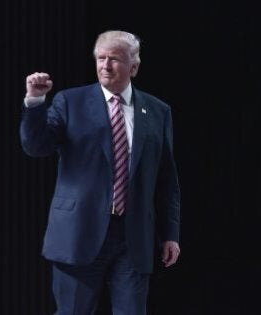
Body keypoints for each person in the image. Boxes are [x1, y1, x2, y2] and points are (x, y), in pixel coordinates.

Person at [20, 30, 181, 315]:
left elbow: (166, 178)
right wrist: (34, 102)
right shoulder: (71, 102)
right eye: (101, 58)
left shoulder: (158, 111)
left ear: (134, 67)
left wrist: (170, 233)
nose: (105, 66)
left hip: (133, 237)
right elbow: (36, 146)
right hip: (78, 232)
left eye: (115, 59)